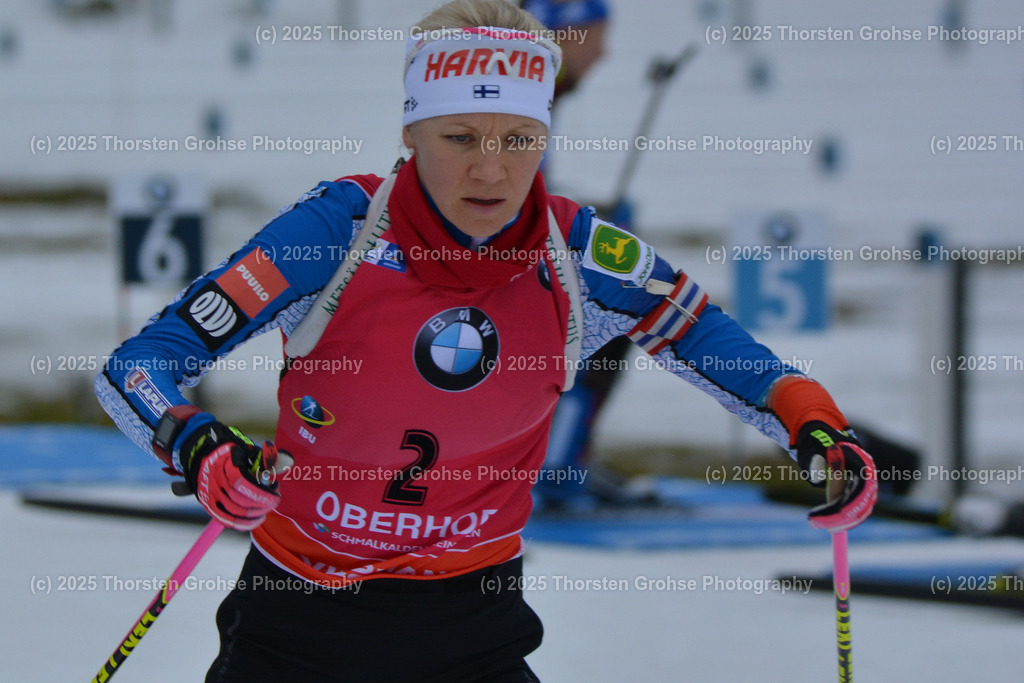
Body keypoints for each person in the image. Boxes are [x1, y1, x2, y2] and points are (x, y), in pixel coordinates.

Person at [95, 1, 877, 680]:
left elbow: (711, 338)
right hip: (298, 624)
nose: (491, 171)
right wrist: (199, 445)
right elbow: (138, 368)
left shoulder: (579, 256)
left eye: (519, 138)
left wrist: (817, 427)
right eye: (461, 136)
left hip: (473, 632)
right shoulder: (335, 232)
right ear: (410, 128)